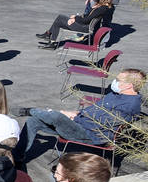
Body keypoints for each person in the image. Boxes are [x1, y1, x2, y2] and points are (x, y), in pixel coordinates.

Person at [14, 68, 144, 163]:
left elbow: (99, 124)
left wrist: (72, 118)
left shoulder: (129, 106)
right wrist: (76, 114)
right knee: (33, 121)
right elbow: (94, 111)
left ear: (129, 85)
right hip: (81, 124)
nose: (114, 82)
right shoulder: (116, 94)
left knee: (56, 116)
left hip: (90, 135)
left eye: (118, 80)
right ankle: (17, 156)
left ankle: (31, 110)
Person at [36, 0, 113, 49]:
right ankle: (50, 38)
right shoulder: (102, 7)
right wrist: (77, 17)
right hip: (85, 25)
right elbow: (87, 17)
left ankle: (50, 38)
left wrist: (75, 19)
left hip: (85, 27)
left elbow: (86, 20)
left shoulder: (101, 8)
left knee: (60, 18)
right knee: (59, 20)